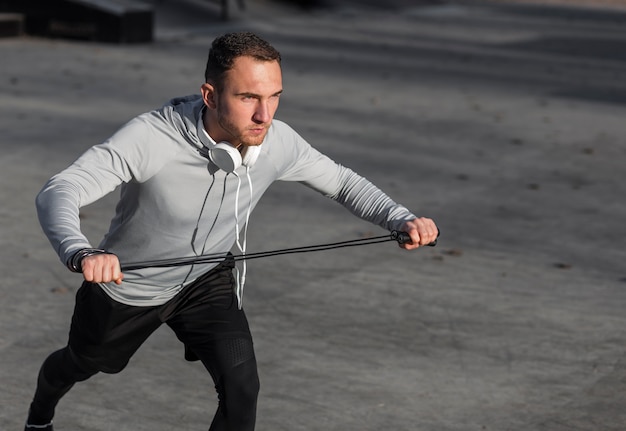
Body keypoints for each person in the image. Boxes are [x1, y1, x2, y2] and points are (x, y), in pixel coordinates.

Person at [25, 31, 438, 431]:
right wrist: (81, 251)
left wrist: (400, 218)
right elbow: (62, 189)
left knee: (242, 390)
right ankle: (42, 408)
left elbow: (344, 182)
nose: (265, 115)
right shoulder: (152, 137)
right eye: (248, 98)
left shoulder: (277, 142)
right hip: (129, 287)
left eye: (274, 96)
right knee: (81, 363)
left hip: (208, 281)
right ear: (210, 95)